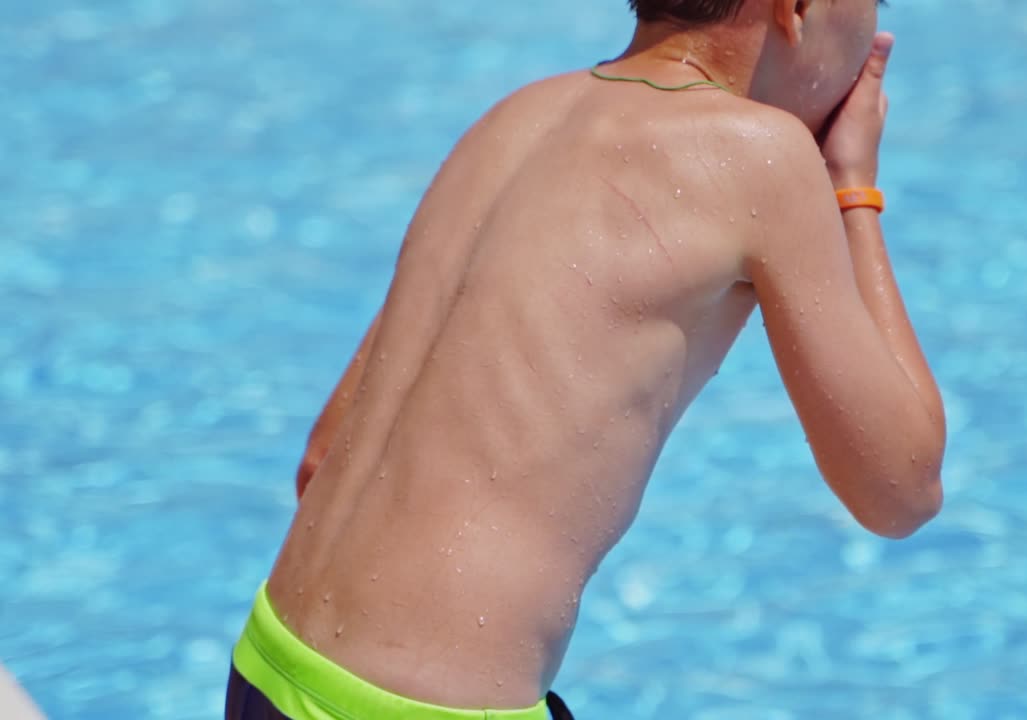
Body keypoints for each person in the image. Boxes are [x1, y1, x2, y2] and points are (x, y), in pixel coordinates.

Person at [226, 0, 946, 717]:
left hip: (271, 664)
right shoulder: (760, 155)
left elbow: (322, 461)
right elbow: (901, 489)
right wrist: (851, 187)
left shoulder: (513, 118)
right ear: (796, 9)